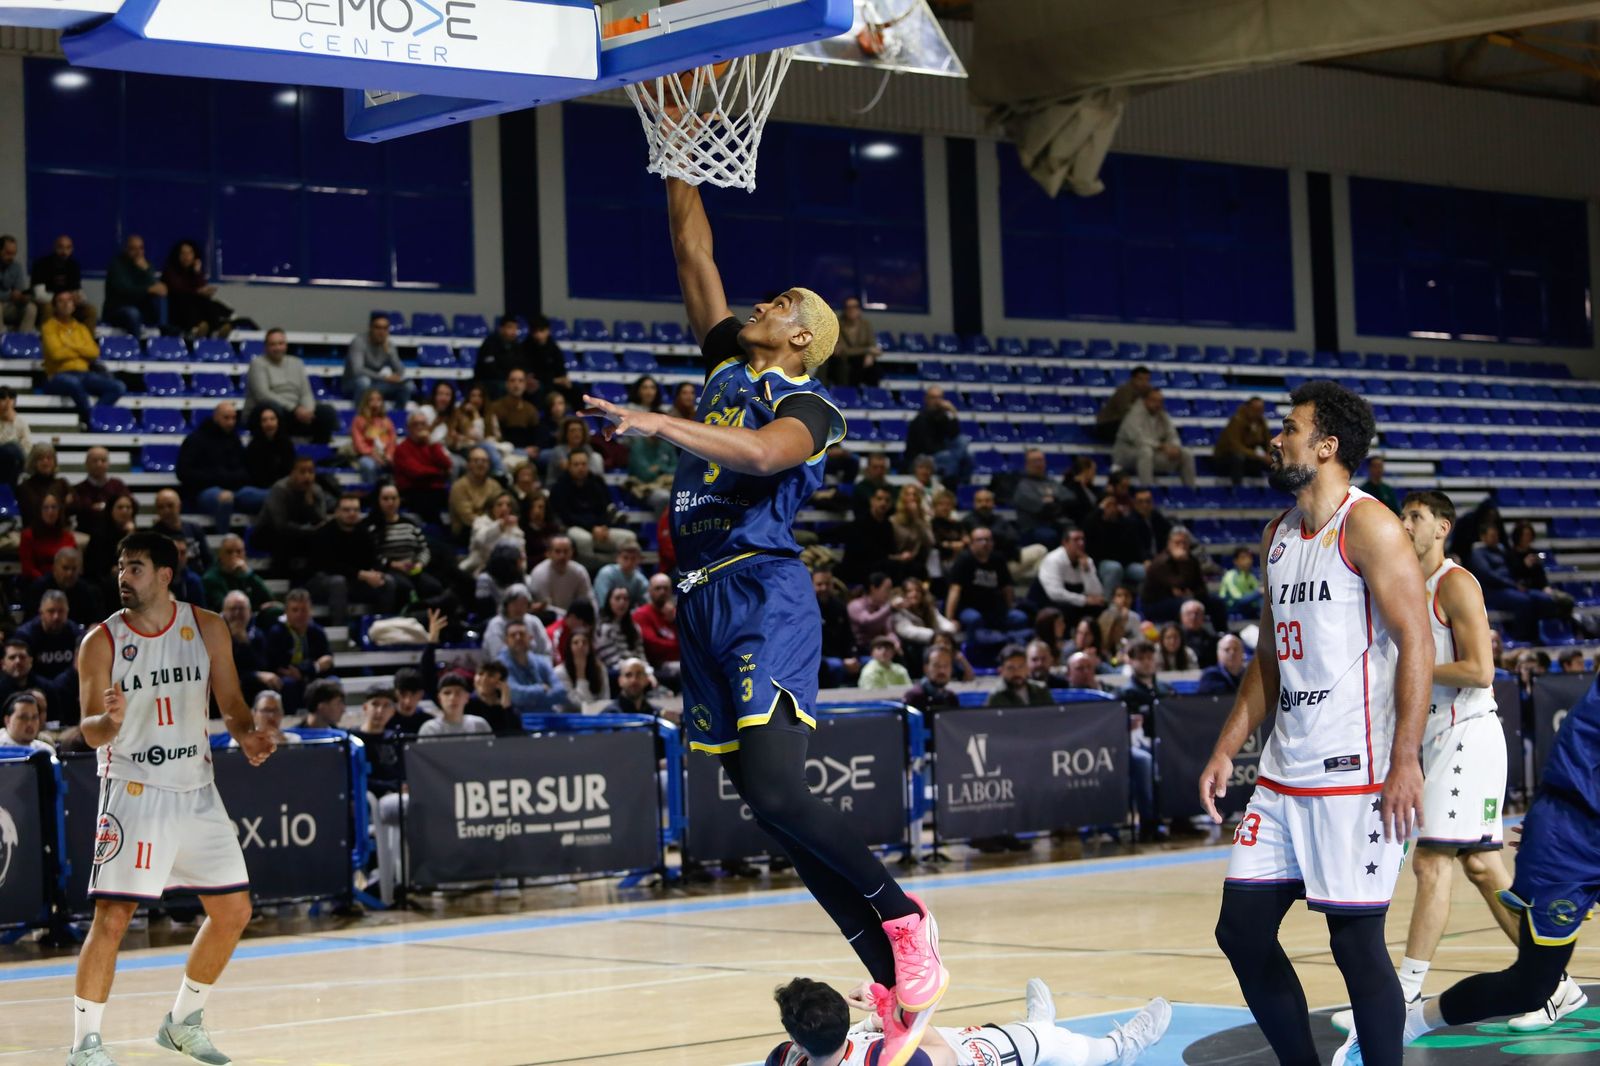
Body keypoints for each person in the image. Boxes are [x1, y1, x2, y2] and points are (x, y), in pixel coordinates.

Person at [579, 176, 943, 1058]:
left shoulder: (808, 406)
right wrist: (676, 153)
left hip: (762, 592)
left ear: (802, 340)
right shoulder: (723, 368)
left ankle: (908, 923)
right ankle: (889, 980)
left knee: (783, 789)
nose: (764, 300)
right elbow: (692, 250)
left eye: (784, 303)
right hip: (703, 596)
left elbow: (756, 454)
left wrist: (656, 424)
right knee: (769, 814)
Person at [1198, 380, 1432, 1066]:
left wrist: (1406, 760)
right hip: (1282, 774)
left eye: (1290, 428)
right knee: (1240, 931)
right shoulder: (1275, 536)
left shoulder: (1370, 526)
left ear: (1327, 447)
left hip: (1355, 773)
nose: (1277, 438)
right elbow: (1269, 658)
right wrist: (1225, 751)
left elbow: (1416, 641)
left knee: (1354, 944)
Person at [1332, 491, 1570, 1036]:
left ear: (1442, 528)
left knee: (1430, 861)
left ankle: (1401, 1004)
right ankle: (1556, 984)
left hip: (1468, 735)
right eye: (1403, 515)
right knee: (1485, 869)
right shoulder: (1401, 585)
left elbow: (1482, 669)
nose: (1405, 523)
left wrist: (1415, 670)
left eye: (1415, 516)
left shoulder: (1456, 582)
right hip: (1436, 738)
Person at [66, 532, 274, 1066]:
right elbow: (87, 732)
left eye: (134, 567)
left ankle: (182, 1022)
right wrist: (107, 721)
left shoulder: (205, 626)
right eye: (119, 567)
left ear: (164, 574)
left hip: (198, 790)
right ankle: (84, 1044)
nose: (122, 577)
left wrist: (248, 733)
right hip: (134, 790)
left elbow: (230, 702)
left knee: (233, 910)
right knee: (113, 918)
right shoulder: (101, 642)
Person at [1398, 677, 1600, 1053]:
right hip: (1572, 840)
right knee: (1531, 986)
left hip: (1569, 827)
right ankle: (1406, 1023)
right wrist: (1551, 822)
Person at [766, 976, 1169, 1066]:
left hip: (928, 1044)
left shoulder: (784, 1058)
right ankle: (1124, 1046)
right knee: (1063, 1048)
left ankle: (1037, 1026)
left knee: (1011, 1032)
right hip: (972, 1060)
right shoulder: (887, 1062)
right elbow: (941, 1052)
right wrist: (889, 1011)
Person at [309, 493, 406, 623]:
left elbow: (373, 559)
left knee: (387, 581)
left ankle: (382, 628)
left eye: (356, 510)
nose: (352, 513)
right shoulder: (325, 533)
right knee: (338, 582)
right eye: (346, 510)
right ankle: (340, 632)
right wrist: (362, 574)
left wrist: (375, 573)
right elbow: (329, 565)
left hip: (354, 581)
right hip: (324, 581)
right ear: (337, 512)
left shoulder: (364, 532)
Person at [40, 291, 125, 426]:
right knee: (73, 383)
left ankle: (92, 415)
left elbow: (94, 352)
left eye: (69, 300)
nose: (66, 303)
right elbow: (56, 354)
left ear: (74, 306)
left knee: (118, 387)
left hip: (84, 374)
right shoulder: (48, 327)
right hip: (58, 375)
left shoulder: (81, 328)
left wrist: (69, 346)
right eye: (61, 301)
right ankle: (90, 420)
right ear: (55, 306)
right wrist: (81, 349)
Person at [177, 403, 263, 533]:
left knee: (271, 496)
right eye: (226, 418)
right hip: (204, 492)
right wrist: (218, 479)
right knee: (224, 499)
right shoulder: (195, 440)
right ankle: (223, 541)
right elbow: (184, 472)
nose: (231, 422)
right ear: (215, 417)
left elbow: (246, 470)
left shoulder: (235, 439)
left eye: (233, 418)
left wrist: (228, 480)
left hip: (236, 490)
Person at [244, 327, 337, 443]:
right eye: (273, 344)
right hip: (268, 410)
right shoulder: (257, 364)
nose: (277, 348)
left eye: (280, 343)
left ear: (286, 345)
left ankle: (318, 454)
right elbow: (263, 395)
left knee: (326, 412)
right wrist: (294, 409)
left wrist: (308, 411)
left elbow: (305, 392)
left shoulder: (297, 363)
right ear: (266, 347)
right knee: (272, 410)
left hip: (295, 413)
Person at [550, 450, 639, 570]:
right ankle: (591, 571)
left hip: (599, 529)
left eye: (583, 464)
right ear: (569, 466)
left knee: (629, 537)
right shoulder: (559, 487)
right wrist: (592, 528)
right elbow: (566, 516)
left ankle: (621, 571)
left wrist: (603, 526)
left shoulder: (597, 482)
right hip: (574, 528)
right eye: (576, 464)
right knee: (584, 539)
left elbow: (606, 508)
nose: (580, 468)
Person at [945, 529, 1032, 646]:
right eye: (980, 540)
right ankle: (976, 654)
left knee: (1019, 618)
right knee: (974, 619)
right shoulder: (964, 560)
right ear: (972, 543)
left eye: (988, 540)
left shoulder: (998, 559)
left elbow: (1007, 587)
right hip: (968, 608)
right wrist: (949, 620)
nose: (985, 543)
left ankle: (1015, 651)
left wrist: (1010, 606)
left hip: (993, 608)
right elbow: (954, 590)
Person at [254, 456, 330, 582]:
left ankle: (313, 580)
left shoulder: (316, 490)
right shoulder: (280, 489)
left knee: (323, 538)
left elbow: (321, 521)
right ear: (293, 473)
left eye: (311, 472)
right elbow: (280, 525)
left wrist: (310, 505)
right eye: (302, 471)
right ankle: (281, 580)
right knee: (283, 538)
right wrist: (310, 530)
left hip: (301, 532)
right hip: (267, 533)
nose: (307, 476)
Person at [1140, 527, 1226, 632]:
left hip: (1185, 598)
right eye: (1177, 543)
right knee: (1186, 605)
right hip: (1156, 603)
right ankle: (1185, 636)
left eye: (1184, 543)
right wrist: (1183, 562)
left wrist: (1192, 594)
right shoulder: (1161, 562)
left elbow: (1201, 587)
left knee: (1216, 603)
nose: (1181, 547)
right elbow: (1180, 583)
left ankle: (1221, 634)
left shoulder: (1192, 560)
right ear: (1169, 544)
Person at [264, 588, 334, 714]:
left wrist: (305, 670)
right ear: (286, 611)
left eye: (304, 610)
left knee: (333, 683)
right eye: (295, 610)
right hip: (287, 678)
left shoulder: (317, 631)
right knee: (288, 684)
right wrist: (314, 666)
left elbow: (328, 660)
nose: (300, 614)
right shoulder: (276, 632)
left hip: (311, 676)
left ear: (310, 610)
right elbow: (281, 666)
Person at [1114, 388, 1196, 488]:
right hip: (1127, 454)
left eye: (1160, 401)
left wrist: (1174, 447)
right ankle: (1147, 489)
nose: (1158, 404)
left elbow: (1172, 434)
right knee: (1145, 451)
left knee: (1186, 453)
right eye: (1154, 400)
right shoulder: (1134, 414)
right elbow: (1138, 439)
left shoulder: (1162, 415)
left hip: (1153, 453)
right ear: (1145, 400)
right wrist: (1161, 446)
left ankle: (1191, 491)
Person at [1031, 525, 1105, 627]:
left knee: (1100, 606)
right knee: (1067, 611)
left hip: (1073, 599)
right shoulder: (1053, 560)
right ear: (1065, 543)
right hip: (1047, 600)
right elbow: (1055, 594)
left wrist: (1086, 571)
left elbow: (1096, 593)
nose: (1081, 543)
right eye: (1076, 540)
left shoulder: (1087, 560)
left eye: (1083, 539)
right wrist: (1084, 600)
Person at [160, 239, 231, 338]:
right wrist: (197, 291)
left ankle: (216, 330)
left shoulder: (194, 271)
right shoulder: (170, 271)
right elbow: (178, 289)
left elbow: (201, 288)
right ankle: (195, 329)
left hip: (195, 306)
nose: (186, 257)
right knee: (188, 301)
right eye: (183, 253)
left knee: (208, 303)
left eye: (189, 253)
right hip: (177, 308)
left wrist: (197, 274)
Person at [393, 409, 454, 519]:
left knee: (456, 498)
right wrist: (439, 472)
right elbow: (416, 472)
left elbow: (447, 464)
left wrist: (431, 443)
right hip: (413, 491)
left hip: (436, 490)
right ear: (408, 428)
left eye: (423, 424)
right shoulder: (401, 449)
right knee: (428, 502)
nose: (420, 427)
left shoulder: (432, 446)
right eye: (415, 424)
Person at [498, 619, 567, 713]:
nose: (518, 638)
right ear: (506, 641)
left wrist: (530, 698)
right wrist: (541, 689)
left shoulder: (542, 661)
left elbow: (561, 692)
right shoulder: (500, 664)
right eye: (513, 635)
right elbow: (514, 694)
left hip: (546, 717)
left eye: (522, 634)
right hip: (517, 720)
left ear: (530, 638)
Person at [904, 386, 970, 483]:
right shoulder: (920, 419)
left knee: (965, 447)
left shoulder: (942, 416)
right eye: (933, 398)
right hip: (921, 458)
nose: (937, 401)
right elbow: (927, 448)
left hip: (941, 455)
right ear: (926, 399)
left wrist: (953, 412)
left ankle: (963, 486)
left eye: (939, 398)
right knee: (950, 458)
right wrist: (951, 453)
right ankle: (950, 486)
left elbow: (954, 434)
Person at [17, 589, 83, 681]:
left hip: (70, 688)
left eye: (61, 611)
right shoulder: (25, 636)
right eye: (51, 611)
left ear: (67, 612)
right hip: (35, 688)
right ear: (41, 613)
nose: (56, 616)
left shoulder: (77, 634)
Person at [30, 233, 95, 327]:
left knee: (91, 310)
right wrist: (59, 299)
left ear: (72, 249)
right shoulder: (42, 264)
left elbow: (77, 290)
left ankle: (87, 340)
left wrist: (80, 298)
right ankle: (47, 338)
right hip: (50, 302)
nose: (64, 251)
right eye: (61, 247)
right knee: (48, 308)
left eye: (68, 248)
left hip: (68, 303)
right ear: (55, 247)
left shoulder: (73, 265)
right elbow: (39, 295)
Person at [344, 313, 408, 404]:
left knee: (408, 386)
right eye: (378, 328)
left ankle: (398, 415)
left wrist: (390, 353)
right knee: (364, 382)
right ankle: (359, 415)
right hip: (353, 383)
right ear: (370, 328)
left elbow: (400, 371)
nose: (381, 332)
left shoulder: (389, 345)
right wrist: (384, 378)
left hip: (376, 383)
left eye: (385, 328)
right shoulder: (359, 342)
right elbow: (357, 370)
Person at [68, 446, 129, 534]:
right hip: (87, 537)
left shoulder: (118, 486)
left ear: (108, 463)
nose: (99, 464)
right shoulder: (77, 489)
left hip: (115, 535)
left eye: (103, 460)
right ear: (86, 463)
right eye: (95, 460)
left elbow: (133, 505)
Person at [1213, 397, 1272, 487]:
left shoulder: (1261, 422)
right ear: (1247, 408)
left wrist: (1269, 454)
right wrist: (1260, 456)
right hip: (1226, 457)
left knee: (1276, 458)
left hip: (1249, 455)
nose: (1259, 412)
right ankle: (1238, 489)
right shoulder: (1236, 421)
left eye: (1261, 410)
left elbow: (1268, 441)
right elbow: (1236, 447)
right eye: (1256, 410)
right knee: (1238, 457)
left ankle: (1265, 492)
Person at [1013, 449, 1066, 546]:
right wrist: (1054, 501)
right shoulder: (1023, 486)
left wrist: (1052, 501)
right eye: (1034, 461)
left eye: (1040, 460)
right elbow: (1042, 508)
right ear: (1027, 464)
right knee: (1051, 536)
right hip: (1032, 529)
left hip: (1055, 524)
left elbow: (1069, 499)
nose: (1038, 464)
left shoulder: (1051, 482)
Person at [448, 446, 502, 538]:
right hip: (467, 532)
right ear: (468, 464)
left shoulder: (495, 485)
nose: (480, 464)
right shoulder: (459, 487)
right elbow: (468, 518)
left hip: (492, 529)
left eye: (484, 461)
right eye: (476, 461)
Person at [349, 388, 400, 485]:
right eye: (371, 400)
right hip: (366, 456)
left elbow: (392, 441)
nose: (375, 403)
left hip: (384, 456)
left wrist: (389, 455)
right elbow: (359, 444)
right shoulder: (359, 420)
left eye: (378, 400)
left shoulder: (387, 422)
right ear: (366, 403)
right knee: (368, 465)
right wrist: (372, 454)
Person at [19, 493, 75, 582]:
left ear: (59, 511)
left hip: (66, 581)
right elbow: (28, 568)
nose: (50, 511)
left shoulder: (67, 536)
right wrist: (47, 581)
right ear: (39, 511)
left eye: (54, 507)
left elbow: (74, 564)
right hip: (39, 582)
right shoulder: (28, 536)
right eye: (46, 508)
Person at [418, 674, 491, 737]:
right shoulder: (430, 729)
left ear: (467, 697)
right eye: (447, 693)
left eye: (458, 692)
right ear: (439, 698)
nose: (452, 698)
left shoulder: (479, 725)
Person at [832, 295, 881, 386]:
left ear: (859, 309)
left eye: (854, 307)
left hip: (861, 360)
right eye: (848, 307)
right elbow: (844, 351)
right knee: (844, 367)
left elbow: (874, 347)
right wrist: (867, 350)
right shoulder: (838, 325)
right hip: (844, 361)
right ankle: (848, 396)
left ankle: (872, 395)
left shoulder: (865, 324)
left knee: (874, 367)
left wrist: (870, 354)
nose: (851, 310)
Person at [1094, 364, 1151, 443]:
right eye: (1140, 379)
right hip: (1108, 424)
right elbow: (1125, 413)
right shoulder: (1124, 390)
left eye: (1147, 380)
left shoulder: (1147, 391)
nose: (1144, 383)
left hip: (1123, 424)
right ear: (1133, 379)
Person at [475, 315, 528, 397]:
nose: (514, 331)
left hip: (510, 379)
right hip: (490, 380)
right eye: (510, 327)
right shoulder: (490, 343)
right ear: (501, 329)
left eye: (516, 328)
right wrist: (509, 379)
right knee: (502, 386)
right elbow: (490, 369)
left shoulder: (517, 345)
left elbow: (522, 365)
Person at [465, 660, 523, 734]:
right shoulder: (466, 703)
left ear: (501, 682)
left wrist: (506, 705)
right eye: (480, 674)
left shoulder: (507, 706)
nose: (484, 679)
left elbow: (515, 733)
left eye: (490, 675)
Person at [987, 645, 1053, 709]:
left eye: (1021, 666)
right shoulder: (996, 696)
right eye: (1010, 668)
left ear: (1027, 668)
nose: (1016, 672)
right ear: (1001, 671)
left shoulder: (1041, 690)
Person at [557, 628, 609, 707]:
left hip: (596, 716)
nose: (580, 646)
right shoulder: (560, 672)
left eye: (584, 642)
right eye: (575, 643)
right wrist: (581, 673)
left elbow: (605, 700)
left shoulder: (600, 669)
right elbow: (579, 705)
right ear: (569, 647)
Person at [594, 542, 649, 608]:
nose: (629, 562)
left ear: (639, 560)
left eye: (633, 558)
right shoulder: (606, 574)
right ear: (617, 558)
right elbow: (603, 602)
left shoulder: (640, 580)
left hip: (628, 616)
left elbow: (647, 604)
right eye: (625, 558)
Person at [0, 235, 36, 334]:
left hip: (9, 306)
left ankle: (23, 341)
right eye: (8, 253)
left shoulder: (16, 267)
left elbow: (18, 290)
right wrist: (10, 295)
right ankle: (2, 341)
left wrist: (22, 297)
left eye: (13, 254)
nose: (11, 257)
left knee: (31, 308)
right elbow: (11, 294)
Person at [0, 385, 32, 485]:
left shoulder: (21, 423)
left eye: (9, 399)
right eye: (2, 399)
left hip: (13, 465)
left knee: (13, 448)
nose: (6, 403)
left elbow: (26, 449)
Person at [1219, 547, 1262, 616]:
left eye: (1250, 557)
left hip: (1247, 609)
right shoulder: (1230, 575)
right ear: (1235, 561)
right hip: (1230, 611)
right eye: (1243, 558)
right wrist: (1259, 592)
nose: (1248, 561)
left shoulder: (1251, 577)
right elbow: (1238, 599)